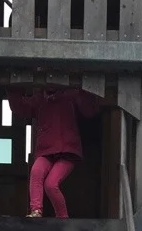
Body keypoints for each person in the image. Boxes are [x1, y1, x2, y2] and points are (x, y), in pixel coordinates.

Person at [6, 85, 103, 219]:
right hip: (47, 151)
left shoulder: (71, 96)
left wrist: (83, 89)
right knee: (36, 172)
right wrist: (13, 88)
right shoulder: (40, 99)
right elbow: (21, 106)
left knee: (51, 184)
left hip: (67, 152)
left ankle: (63, 217)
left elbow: (89, 110)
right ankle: (36, 211)